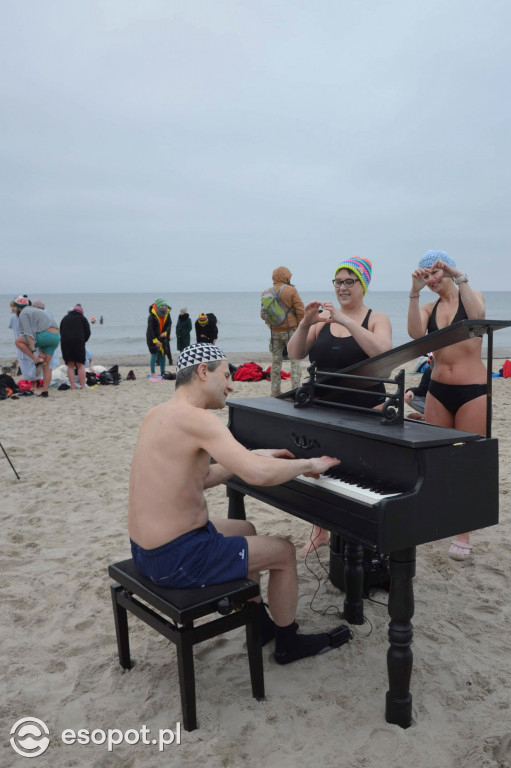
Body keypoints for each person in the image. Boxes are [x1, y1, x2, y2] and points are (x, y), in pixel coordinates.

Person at [128, 342, 347, 664]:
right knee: (284, 551)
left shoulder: (157, 414)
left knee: (245, 528)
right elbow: (257, 475)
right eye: (226, 375)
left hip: (145, 551)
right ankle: (288, 643)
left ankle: (258, 625)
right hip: (176, 558)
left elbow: (198, 478)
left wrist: (251, 456)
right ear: (203, 372)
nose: (232, 385)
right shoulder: (199, 420)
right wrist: (308, 465)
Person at [287, 258, 392, 556]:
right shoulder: (321, 322)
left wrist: (345, 320)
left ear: (363, 285)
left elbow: (384, 355)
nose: (342, 288)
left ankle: (360, 534)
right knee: (319, 473)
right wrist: (307, 321)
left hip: (366, 409)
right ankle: (320, 532)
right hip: (323, 409)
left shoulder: (376, 318)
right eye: (338, 282)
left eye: (349, 281)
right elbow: (295, 353)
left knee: (360, 475)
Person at [408, 250, 486, 561]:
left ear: (446, 270)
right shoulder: (427, 306)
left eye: (434, 273)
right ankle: (439, 518)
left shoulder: (472, 295)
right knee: (437, 460)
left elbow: (477, 318)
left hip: (473, 390)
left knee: (465, 460)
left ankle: (463, 530)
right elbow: (415, 334)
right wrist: (414, 292)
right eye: (425, 276)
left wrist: (456, 273)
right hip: (439, 390)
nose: (431, 280)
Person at [261, 267, 304, 397]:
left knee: (276, 362)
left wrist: (271, 325)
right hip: (291, 331)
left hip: (274, 332)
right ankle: (295, 390)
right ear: (285, 276)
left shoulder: (265, 292)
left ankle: (275, 390)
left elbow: (263, 315)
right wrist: (302, 328)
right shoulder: (291, 290)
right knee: (295, 361)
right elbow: (301, 311)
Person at [14, 297, 61, 397]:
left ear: (18, 308)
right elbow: (39, 331)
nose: (12, 310)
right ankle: (45, 391)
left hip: (46, 335)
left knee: (18, 341)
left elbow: (29, 334)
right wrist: (39, 351)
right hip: (56, 337)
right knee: (46, 366)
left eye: (14, 307)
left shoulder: (25, 313)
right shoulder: (42, 313)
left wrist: (34, 356)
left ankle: (36, 360)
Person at [8, 296, 39, 390]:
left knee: (32, 363)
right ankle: (31, 383)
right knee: (25, 364)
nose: (13, 309)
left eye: (15, 307)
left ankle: (34, 384)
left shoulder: (26, 316)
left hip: (28, 342)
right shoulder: (14, 317)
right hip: (21, 344)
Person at [59, 304, 91, 390]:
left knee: (70, 365)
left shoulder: (65, 318)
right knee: (80, 365)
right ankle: (83, 386)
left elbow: (61, 331)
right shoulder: (82, 318)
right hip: (78, 343)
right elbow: (88, 332)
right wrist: (83, 341)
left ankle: (73, 386)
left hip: (65, 343)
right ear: (81, 312)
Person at [146, 299, 171, 377]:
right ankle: (153, 372)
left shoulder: (167, 313)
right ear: (158, 306)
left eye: (164, 305)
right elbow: (151, 329)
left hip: (163, 336)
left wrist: (166, 333)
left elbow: (169, 324)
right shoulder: (152, 315)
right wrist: (155, 340)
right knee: (154, 354)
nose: (163, 307)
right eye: (161, 305)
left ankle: (162, 372)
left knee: (162, 354)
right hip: (152, 337)